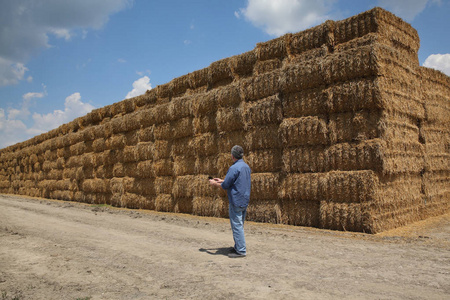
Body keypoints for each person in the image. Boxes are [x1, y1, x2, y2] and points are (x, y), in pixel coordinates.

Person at [209, 145, 251, 258]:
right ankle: (238, 246)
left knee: (236, 225)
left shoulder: (233, 168)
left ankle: (241, 250)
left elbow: (225, 185)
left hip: (236, 200)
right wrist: (221, 180)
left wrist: (214, 183)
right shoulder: (246, 167)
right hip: (244, 199)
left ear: (232, 156)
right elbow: (236, 181)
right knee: (240, 224)